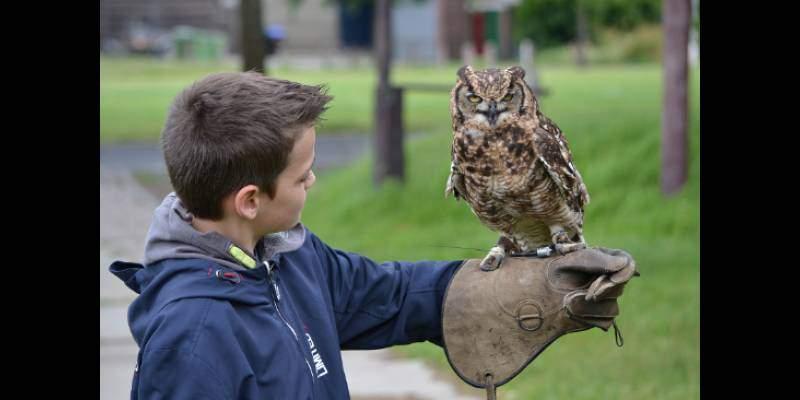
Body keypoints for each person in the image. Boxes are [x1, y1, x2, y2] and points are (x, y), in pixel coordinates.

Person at [109, 71, 632, 399]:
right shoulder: (194, 338)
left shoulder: (287, 258)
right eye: (302, 174)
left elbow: (387, 295)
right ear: (250, 200)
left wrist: (518, 285)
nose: (313, 179)